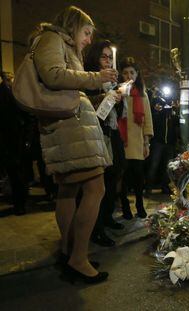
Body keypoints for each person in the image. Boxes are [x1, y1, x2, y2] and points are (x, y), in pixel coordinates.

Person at [30, 6, 116, 283]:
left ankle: (69, 251)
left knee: (68, 190)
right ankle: (79, 257)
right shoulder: (51, 39)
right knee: (95, 187)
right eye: (87, 32)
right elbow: (54, 75)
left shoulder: (59, 43)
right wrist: (95, 78)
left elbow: (64, 82)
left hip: (70, 127)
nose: (89, 40)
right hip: (70, 128)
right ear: (73, 25)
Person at [84, 40, 125, 247]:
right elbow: (85, 104)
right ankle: (95, 227)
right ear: (95, 58)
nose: (108, 60)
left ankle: (107, 216)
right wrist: (105, 96)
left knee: (114, 175)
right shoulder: (89, 78)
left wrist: (118, 95)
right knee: (97, 183)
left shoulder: (112, 80)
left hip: (112, 131)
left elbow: (116, 110)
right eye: (104, 56)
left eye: (110, 56)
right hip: (96, 133)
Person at [118, 57, 153, 219]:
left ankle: (139, 204)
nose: (129, 75)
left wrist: (147, 142)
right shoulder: (118, 93)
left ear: (137, 74)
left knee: (139, 176)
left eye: (132, 72)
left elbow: (147, 120)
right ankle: (125, 205)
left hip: (138, 142)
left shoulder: (142, 94)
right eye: (125, 73)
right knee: (124, 177)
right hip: (122, 141)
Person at [0, 71, 33, 215]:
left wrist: (28, 138)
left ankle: (20, 202)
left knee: (18, 173)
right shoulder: (9, 92)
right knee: (15, 173)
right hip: (10, 139)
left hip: (14, 139)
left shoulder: (14, 92)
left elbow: (27, 116)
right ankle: (19, 202)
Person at [146, 88, 179, 195]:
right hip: (158, 142)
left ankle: (165, 187)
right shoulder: (157, 107)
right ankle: (148, 187)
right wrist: (157, 111)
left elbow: (177, 124)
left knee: (168, 167)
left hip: (169, 143)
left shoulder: (173, 111)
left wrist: (175, 111)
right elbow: (153, 121)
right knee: (153, 165)